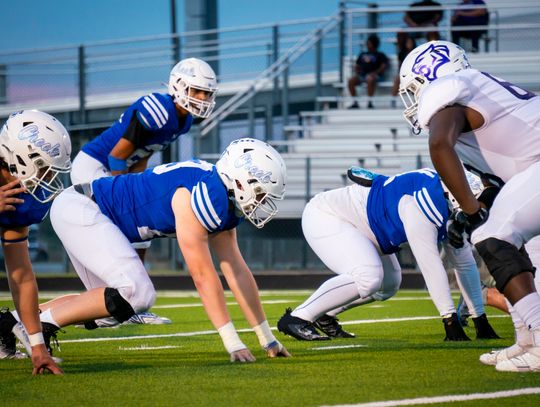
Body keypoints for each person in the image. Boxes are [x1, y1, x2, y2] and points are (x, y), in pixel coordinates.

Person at [13, 138, 291, 363]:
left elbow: (237, 271)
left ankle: (11, 322)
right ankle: (43, 326)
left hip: (86, 209)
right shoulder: (197, 194)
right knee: (136, 292)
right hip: (85, 207)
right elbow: (203, 276)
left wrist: (266, 337)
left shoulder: (219, 194)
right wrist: (233, 342)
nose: (262, 202)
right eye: (260, 192)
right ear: (240, 182)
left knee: (108, 308)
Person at [398, 40, 540, 372]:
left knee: (493, 236)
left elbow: (438, 145)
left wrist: (472, 210)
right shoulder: (480, 91)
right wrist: (477, 206)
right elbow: (499, 178)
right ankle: (528, 341)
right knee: (525, 255)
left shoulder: (449, 88)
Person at [71, 57, 218, 326]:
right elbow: (117, 156)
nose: (202, 98)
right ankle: (115, 300)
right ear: (179, 86)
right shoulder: (158, 110)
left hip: (115, 169)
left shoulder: (184, 121)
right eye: (197, 91)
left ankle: (128, 304)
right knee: (124, 228)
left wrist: (140, 188)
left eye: (206, 93)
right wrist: (127, 191)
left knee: (142, 233)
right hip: (95, 167)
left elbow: (141, 156)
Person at [277, 167, 499, 342]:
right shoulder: (421, 205)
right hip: (327, 216)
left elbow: (465, 263)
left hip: (365, 226)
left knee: (388, 284)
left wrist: (480, 319)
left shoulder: (445, 198)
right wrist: (450, 320)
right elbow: (431, 267)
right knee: (369, 277)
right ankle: (297, 318)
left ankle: (325, 314)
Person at [0, 110, 71, 375]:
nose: (47, 178)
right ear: (19, 158)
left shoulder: (19, 198)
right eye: (43, 168)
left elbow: (21, 276)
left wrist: (37, 344)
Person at [347, 34, 388, 109]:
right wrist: (357, 71)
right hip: (362, 75)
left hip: (375, 76)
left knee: (370, 78)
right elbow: (357, 65)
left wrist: (375, 73)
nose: (367, 44)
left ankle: (370, 102)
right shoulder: (362, 54)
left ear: (374, 43)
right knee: (351, 80)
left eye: (369, 43)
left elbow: (384, 66)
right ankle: (355, 102)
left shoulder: (380, 54)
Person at [391, 32, 417, 108]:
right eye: (407, 42)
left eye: (410, 42)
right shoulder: (402, 53)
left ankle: (417, 101)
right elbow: (400, 66)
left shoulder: (417, 52)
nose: (409, 44)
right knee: (397, 79)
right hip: (405, 73)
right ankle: (393, 99)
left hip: (415, 73)